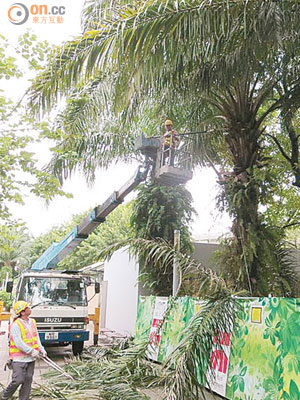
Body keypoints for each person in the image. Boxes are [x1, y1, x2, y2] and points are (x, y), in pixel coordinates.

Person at [1, 301, 47, 400]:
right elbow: (19, 343)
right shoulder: (16, 325)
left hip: (31, 359)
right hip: (19, 359)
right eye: (27, 307)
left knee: (27, 381)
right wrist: (32, 351)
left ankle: (24, 398)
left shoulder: (32, 322)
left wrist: (41, 349)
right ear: (22, 312)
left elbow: (36, 337)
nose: (30, 308)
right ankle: (4, 396)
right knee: (17, 380)